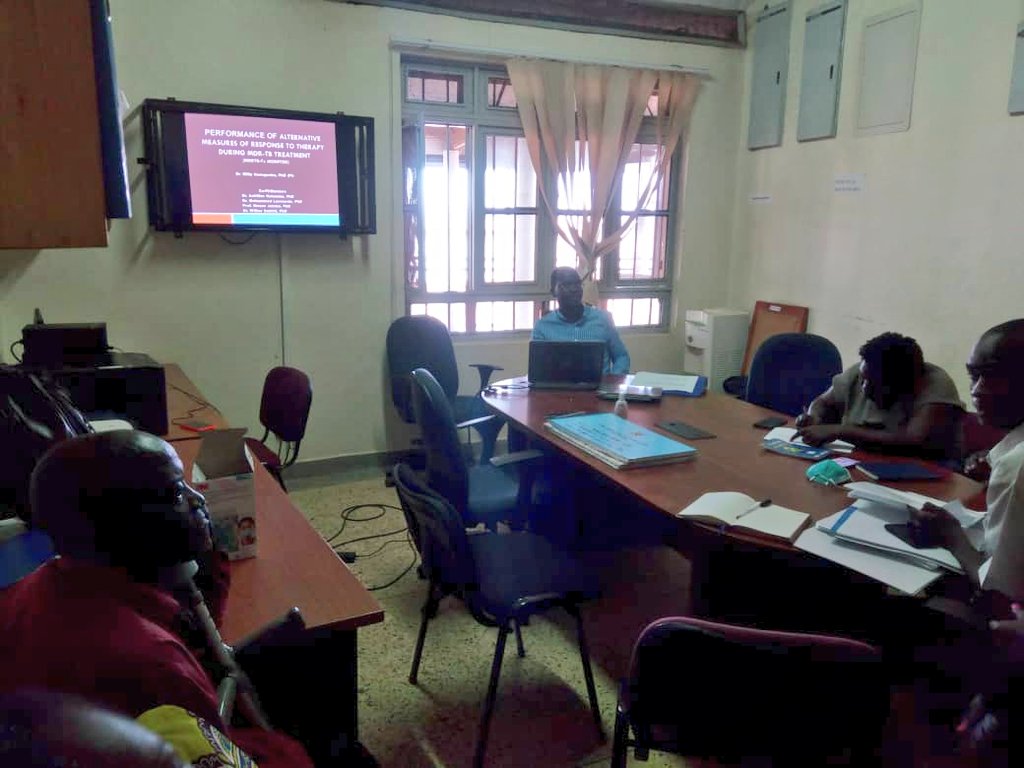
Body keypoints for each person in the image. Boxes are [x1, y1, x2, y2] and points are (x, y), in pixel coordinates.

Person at [0, 430, 313, 768]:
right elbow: (213, 748)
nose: (199, 500)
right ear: (125, 524)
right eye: (179, 492)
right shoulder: (157, 667)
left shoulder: (36, 584)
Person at [910, 319, 1024, 603]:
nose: (977, 390)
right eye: (974, 376)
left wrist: (951, 534)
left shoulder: (1018, 464)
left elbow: (998, 593)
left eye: (996, 377)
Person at [795, 331, 963, 457]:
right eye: (863, 379)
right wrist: (814, 417)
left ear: (901, 381)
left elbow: (912, 440)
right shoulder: (866, 369)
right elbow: (822, 402)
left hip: (925, 467)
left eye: (874, 383)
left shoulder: (935, 384)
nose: (864, 387)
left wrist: (840, 430)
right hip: (865, 459)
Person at [532, 266, 630, 374]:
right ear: (553, 292)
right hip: (560, 388)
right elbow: (538, 368)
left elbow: (621, 357)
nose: (574, 289)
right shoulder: (542, 326)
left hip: (600, 388)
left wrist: (612, 381)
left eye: (577, 284)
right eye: (566, 285)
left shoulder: (603, 319)